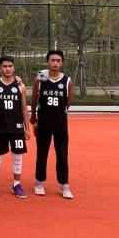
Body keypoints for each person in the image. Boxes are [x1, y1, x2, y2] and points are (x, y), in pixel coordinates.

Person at [31, 50, 74, 199]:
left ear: (62, 62)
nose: (55, 63)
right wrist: (33, 116)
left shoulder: (67, 81)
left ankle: (64, 184)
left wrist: (61, 113)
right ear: (48, 61)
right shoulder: (40, 78)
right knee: (42, 154)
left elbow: (68, 102)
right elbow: (34, 98)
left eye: (58, 60)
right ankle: (39, 182)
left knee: (62, 155)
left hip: (60, 124)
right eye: (52, 60)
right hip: (43, 123)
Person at [0, 56, 30, 198]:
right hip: (0, 127)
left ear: (14, 68)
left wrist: (27, 128)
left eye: (10, 66)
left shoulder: (20, 86)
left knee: (17, 156)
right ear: (0, 68)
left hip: (17, 128)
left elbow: (24, 108)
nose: (8, 69)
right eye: (4, 66)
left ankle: (16, 185)